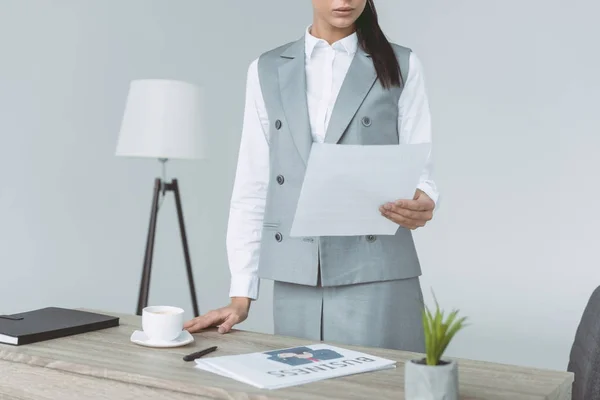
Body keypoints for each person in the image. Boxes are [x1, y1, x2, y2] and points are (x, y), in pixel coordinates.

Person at [184, 0, 438, 352]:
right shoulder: (266, 69)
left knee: (380, 389)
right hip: (296, 275)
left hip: (378, 270)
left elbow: (420, 169)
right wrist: (241, 294)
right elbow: (254, 185)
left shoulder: (402, 63)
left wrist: (422, 200)